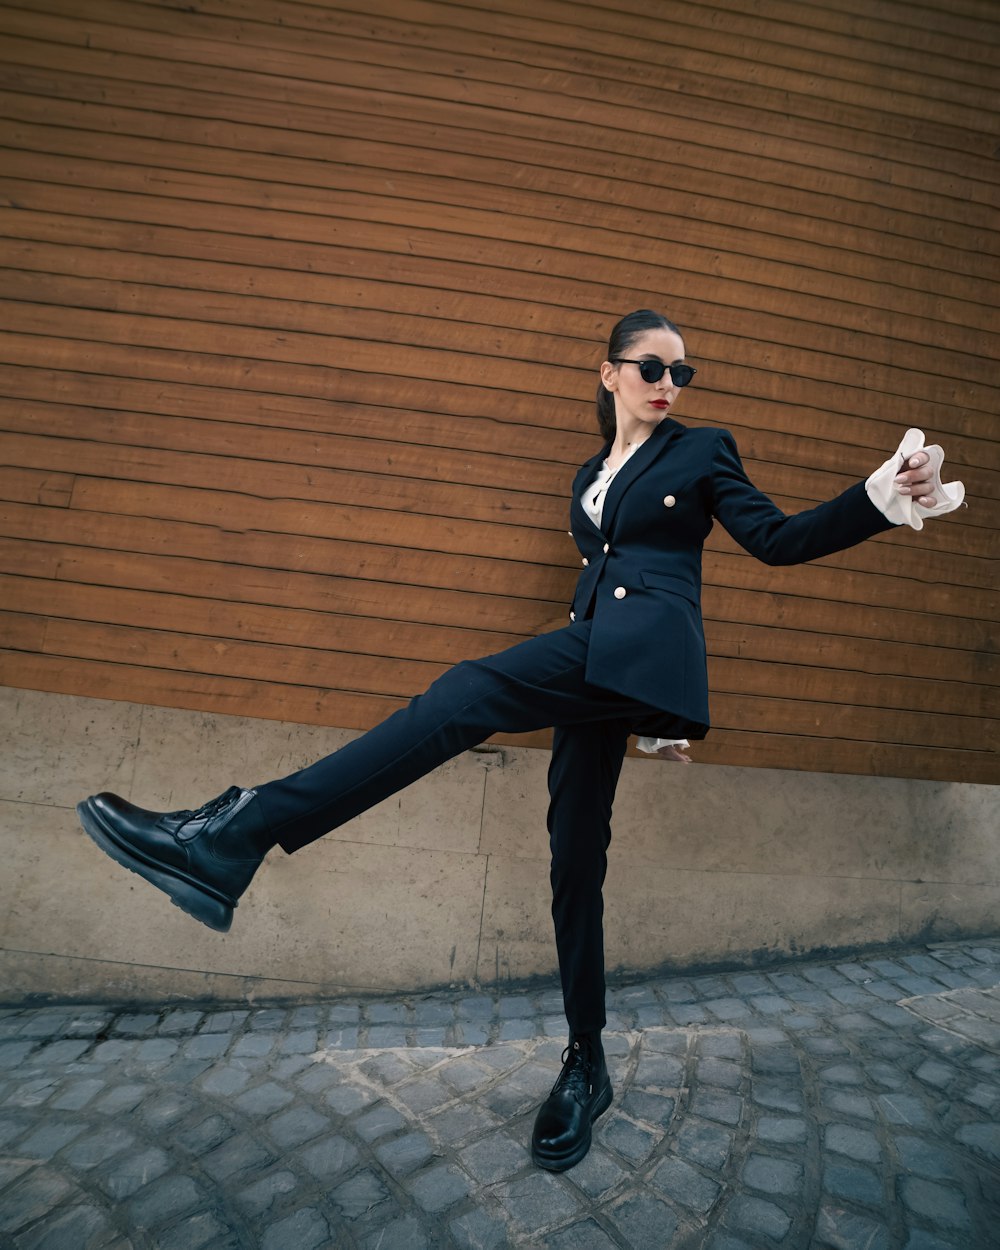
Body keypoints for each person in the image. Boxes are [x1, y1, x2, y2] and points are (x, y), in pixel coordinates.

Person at [77, 309, 964, 1172]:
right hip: (606, 672)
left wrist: (879, 497)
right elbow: (601, 583)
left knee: (468, 690)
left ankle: (237, 832)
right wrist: (647, 723)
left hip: (642, 655)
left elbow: (775, 540)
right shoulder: (588, 472)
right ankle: (589, 1061)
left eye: (680, 371)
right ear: (609, 371)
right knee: (573, 856)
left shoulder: (704, 449)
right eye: (650, 367)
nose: (667, 383)